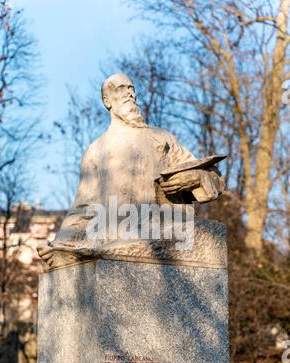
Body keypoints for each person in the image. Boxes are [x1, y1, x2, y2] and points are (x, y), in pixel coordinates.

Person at [38, 73, 225, 268]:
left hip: (168, 239)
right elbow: (83, 209)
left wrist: (196, 177)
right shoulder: (96, 150)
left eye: (132, 89)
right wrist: (60, 245)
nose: (130, 95)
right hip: (116, 245)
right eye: (122, 89)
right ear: (107, 101)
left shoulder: (161, 138)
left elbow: (212, 176)